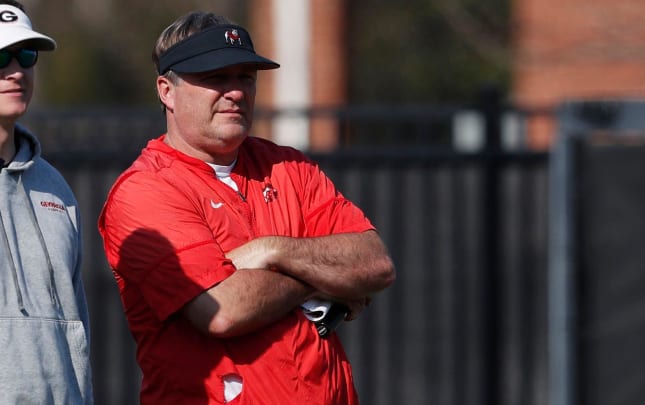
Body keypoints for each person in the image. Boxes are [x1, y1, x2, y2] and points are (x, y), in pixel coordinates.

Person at [98, 10, 396, 405]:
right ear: (166, 91)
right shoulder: (147, 190)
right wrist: (322, 280)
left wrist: (273, 250)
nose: (236, 91)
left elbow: (375, 264)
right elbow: (224, 309)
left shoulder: (290, 166)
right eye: (215, 78)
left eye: (245, 77)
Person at [0, 1, 94, 403]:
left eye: (26, 54)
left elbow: (77, 328)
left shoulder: (55, 188)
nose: (16, 70)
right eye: (1, 57)